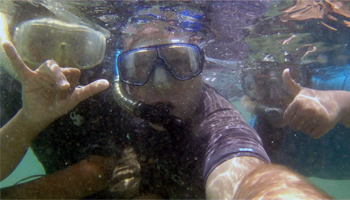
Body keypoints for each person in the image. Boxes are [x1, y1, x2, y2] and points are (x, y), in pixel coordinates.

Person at [1, 1, 332, 199]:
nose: (161, 83)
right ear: (122, 77)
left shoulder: (217, 121)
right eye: (140, 67)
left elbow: (246, 175)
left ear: (202, 69)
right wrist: (29, 121)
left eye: (179, 63)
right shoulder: (99, 94)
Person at [241, 61, 350, 179]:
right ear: (249, 92)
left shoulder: (336, 88)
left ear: (305, 77)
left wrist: (342, 104)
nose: (275, 97)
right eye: (261, 83)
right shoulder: (256, 135)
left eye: (286, 80)